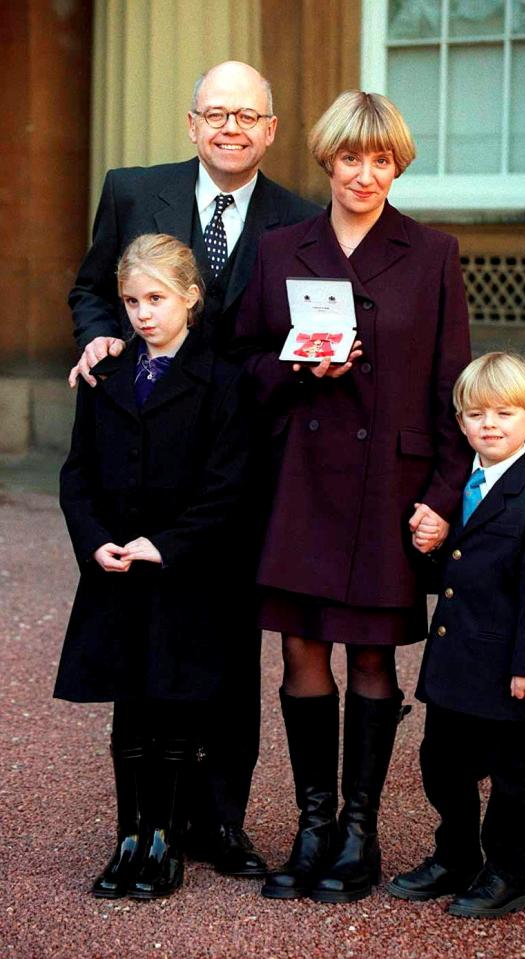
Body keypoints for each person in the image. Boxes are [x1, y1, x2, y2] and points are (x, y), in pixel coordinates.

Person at [66, 60, 319, 877]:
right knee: (146, 648)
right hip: (144, 444)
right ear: (192, 122)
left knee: (228, 647)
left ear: (270, 131)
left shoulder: (296, 218)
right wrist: (99, 336)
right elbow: (94, 289)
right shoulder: (134, 189)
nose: (231, 128)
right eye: (216, 113)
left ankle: (219, 820)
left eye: (248, 115)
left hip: (238, 464)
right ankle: (150, 824)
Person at [234, 90, 472, 903]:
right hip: (298, 484)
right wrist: (297, 367)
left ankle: (358, 834)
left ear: (397, 165)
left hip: (392, 489)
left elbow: (454, 388)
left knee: (371, 655)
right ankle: (312, 825)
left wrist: (445, 494)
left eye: (379, 160)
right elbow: (243, 369)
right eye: (348, 158)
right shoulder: (279, 248)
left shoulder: (433, 252)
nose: (362, 174)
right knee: (301, 649)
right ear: (326, 160)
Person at [55, 233, 255, 899]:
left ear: (191, 297)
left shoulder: (221, 380)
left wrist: (168, 542)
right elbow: (77, 472)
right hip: (115, 571)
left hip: (183, 573)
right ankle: (129, 836)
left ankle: (165, 836)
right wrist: (94, 540)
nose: (142, 313)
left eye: (157, 298)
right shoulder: (106, 375)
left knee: (173, 705)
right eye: (131, 301)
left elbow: (229, 486)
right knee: (129, 707)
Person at [388, 352, 525, 918]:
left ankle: (509, 870)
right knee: (441, 762)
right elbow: (451, 570)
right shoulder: (457, 490)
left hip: (504, 668)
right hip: (453, 659)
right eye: (475, 414)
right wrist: (428, 548)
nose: (489, 424)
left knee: (511, 774)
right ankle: (457, 855)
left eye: (504, 413)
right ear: (461, 422)